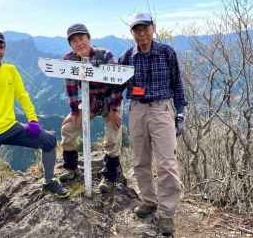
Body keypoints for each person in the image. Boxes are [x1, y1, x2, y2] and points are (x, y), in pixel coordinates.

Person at [0, 31, 68, 231]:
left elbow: (23, 95)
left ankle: (49, 180)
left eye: (0, 47)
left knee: (49, 141)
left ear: (4, 49)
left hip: (10, 127)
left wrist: (32, 119)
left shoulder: (11, 71)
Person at [119, 13, 187, 235]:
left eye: (145, 28)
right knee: (140, 160)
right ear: (132, 33)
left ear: (153, 28)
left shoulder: (166, 53)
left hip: (161, 109)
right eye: (136, 30)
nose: (141, 33)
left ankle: (167, 213)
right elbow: (113, 81)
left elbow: (177, 83)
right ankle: (148, 201)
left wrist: (180, 114)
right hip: (137, 109)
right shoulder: (128, 56)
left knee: (166, 162)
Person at [59, 23, 123, 193]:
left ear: (89, 38)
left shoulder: (105, 55)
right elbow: (71, 87)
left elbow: (118, 84)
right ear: (70, 45)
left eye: (81, 38)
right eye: (73, 41)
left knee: (112, 137)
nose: (78, 43)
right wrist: (74, 112)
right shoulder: (69, 60)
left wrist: (114, 110)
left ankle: (109, 177)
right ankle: (71, 169)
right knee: (68, 129)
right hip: (90, 100)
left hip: (111, 100)